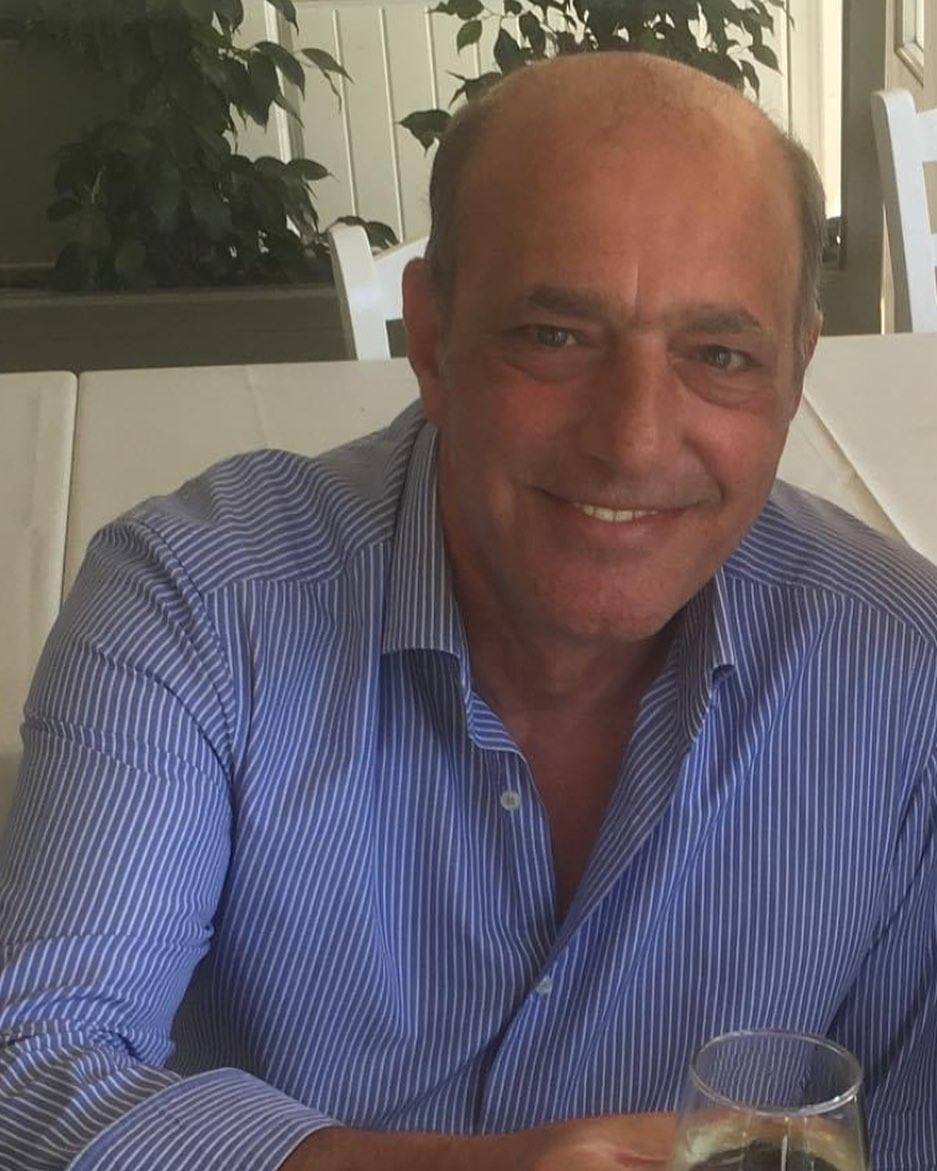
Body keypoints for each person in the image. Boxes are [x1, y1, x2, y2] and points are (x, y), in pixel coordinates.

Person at [1, 51, 935, 1171]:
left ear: (793, 373)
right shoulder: (200, 603)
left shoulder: (906, 674)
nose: (632, 439)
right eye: (555, 336)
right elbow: (33, 1071)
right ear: (432, 340)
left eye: (719, 354)